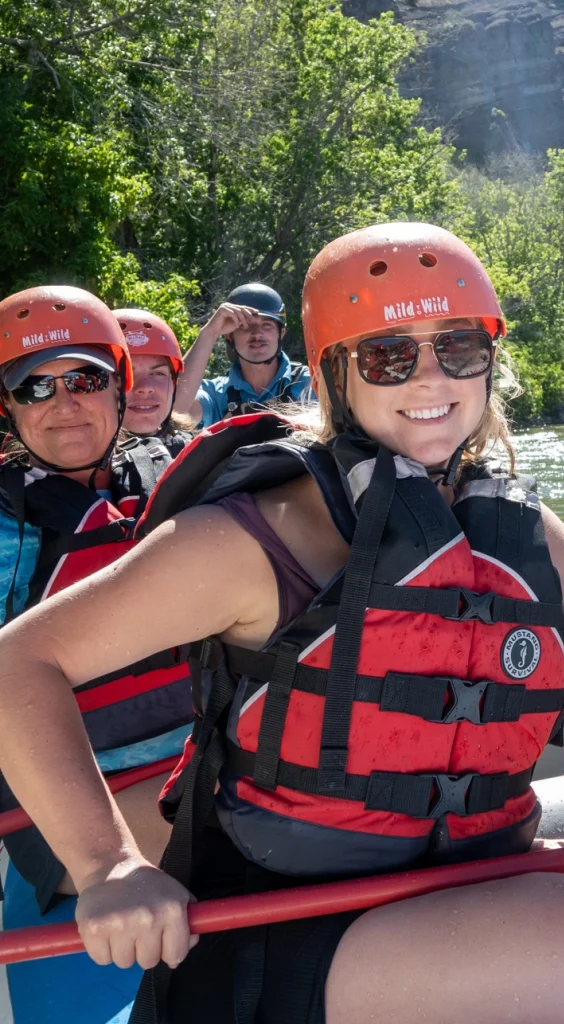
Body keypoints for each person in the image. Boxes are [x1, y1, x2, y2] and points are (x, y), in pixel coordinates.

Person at [0, 225, 564, 1024]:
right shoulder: (256, 537)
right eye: (390, 357)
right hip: (283, 928)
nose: (431, 379)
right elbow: (20, 662)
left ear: (490, 358)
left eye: (459, 349)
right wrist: (107, 865)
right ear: (336, 373)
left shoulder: (518, 526)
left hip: (465, 876)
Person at [0, 287, 193, 1023]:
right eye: (33, 386)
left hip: (196, 770)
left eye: (83, 379)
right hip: (63, 818)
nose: (63, 403)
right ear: (10, 408)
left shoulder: (180, 482)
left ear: (119, 384)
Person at [173, 282, 312, 427]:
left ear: (281, 334)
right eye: (245, 325)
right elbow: (174, 410)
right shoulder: (217, 395)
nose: (257, 333)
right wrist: (209, 333)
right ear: (229, 337)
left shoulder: (310, 384)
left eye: (267, 325)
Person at [113, 308, 194, 455]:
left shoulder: (199, 453)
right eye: (125, 374)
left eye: (158, 373)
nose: (145, 387)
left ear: (174, 383)